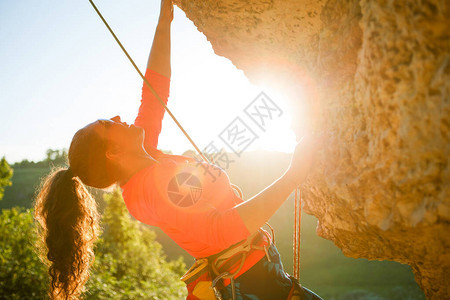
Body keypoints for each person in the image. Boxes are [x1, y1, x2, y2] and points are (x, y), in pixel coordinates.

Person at [34, 0, 323, 299]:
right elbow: (222, 231)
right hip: (251, 284)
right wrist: (293, 175)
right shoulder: (151, 191)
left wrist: (164, 21)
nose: (119, 118)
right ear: (113, 153)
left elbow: (154, 91)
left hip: (253, 273)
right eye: (110, 124)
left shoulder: (145, 157)